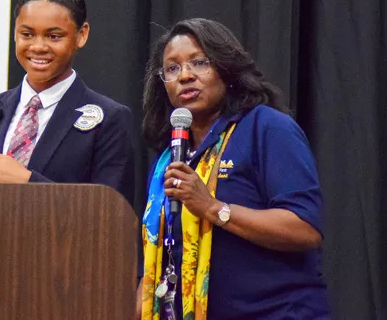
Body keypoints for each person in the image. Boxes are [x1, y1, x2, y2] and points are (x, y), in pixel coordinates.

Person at [136, 18, 331, 319]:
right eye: (172, 68)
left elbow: (304, 228)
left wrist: (213, 208)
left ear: (227, 70)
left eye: (199, 62)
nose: (185, 75)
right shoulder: (169, 160)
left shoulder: (267, 128)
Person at [0, 0, 134, 205]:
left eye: (53, 36)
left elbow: (111, 214)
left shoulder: (109, 119)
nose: (38, 46)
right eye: (27, 34)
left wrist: (28, 182)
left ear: (81, 35)